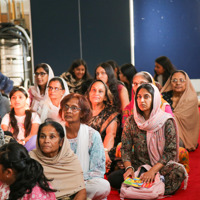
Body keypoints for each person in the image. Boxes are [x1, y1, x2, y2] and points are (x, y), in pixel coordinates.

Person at [108, 83, 187, 195]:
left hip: (161, 167)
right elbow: (126, 148)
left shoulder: (165, 121)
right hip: (138, 166)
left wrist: (152, 171)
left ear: (154, 98)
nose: (142, 100)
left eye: (146, 96)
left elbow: (170, 151)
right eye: (139, 97)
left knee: (177, 173)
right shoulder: (131, 121)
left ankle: (139, 188)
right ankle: (150, 187)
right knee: (113, 178)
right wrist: (129, 168)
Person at [59, 93, 111, 200]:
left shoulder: (93, 135)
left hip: (84, 182)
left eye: (74, 108)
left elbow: (98, 171)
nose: (68, 111)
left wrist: (76, 180)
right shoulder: (55, 133)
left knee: (103, 186)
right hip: (60, 180)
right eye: (66, 107)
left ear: (82, 113)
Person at [30, 121, 86, 200]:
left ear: (61, 142)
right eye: (42, 136)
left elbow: (81, 189)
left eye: (52, 137)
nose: (46, 141)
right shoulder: (31, 159)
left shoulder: (70, 159)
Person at [86, 80, 121, 171]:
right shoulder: (83, 111)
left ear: (105, 97)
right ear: (89, 93)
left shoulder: (110, 113)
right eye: (93, 90)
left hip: (103, 150)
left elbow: (111, 135)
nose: (96, 93)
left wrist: (104, 152)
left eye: (100, 91)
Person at [161, 70, 199, 151]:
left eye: (181, 80)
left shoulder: (191, 99)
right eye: (174, 80)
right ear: (170, 82)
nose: (178, 83)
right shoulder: (163, 96)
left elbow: (189, 122)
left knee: (175, 143)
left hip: (184, 136)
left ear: (186, 82)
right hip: (163, 131)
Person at [1, 87, 41, 151]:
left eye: (20, 97)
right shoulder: (7, 116)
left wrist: (23, 141)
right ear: (10, 101)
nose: (17, 100)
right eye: (13, 97)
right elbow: (5, 133)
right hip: (12, 146)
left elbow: (34, 134)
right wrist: (15, 143)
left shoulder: (34, 115)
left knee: (35, 138)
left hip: (29, 145)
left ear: (26, 100)